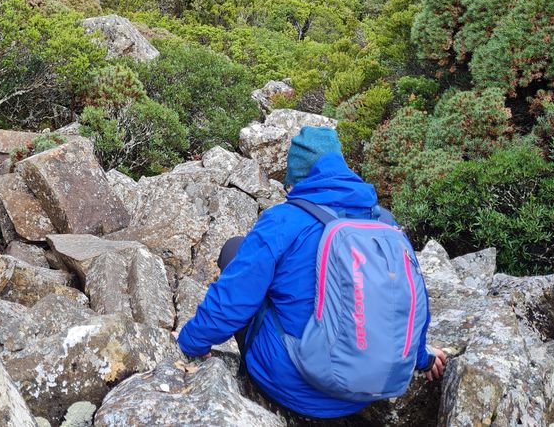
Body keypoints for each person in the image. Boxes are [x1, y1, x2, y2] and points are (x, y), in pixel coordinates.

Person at [177, 126, 447, 420]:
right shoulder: (385, 223)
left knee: (235, 251)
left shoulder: (283, 219)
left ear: (298, 179)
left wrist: (191, 342)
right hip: (369, 389)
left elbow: (234, 298)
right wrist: (422, 357)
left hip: (297, 386)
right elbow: (406, 301)